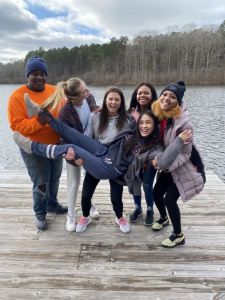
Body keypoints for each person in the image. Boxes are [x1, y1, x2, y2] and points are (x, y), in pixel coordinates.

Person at [13, 109, 192, 228]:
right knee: (74, 135)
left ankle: (33, 147)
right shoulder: (133, 130)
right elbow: (119, 110)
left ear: (154, 126)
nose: (144, 126)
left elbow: (165, 162)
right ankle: (43, 114)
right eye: (142, 122)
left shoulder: (155, 148)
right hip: (105, 153)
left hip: (110, 169)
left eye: (149, 123)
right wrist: (98, 108)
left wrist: (179, 141)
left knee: (73, 149)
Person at [7, 56, 68, 231]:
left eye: (42, 74)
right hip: (33, 148)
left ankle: (52, 204)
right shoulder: (17, 96)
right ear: (28, 75)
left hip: (56, 145)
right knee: (41, 181)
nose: (39, 77)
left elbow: (64, 112)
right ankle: (40, 212)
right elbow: (16, 125)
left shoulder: (54, 91)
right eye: (35, 74)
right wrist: (38, 122)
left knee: (54, 178)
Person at [151, 81, 206, 248]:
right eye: (165, 94)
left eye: (172, 97)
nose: (167, 98)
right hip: (168, 161)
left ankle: (178, 235)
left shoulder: (184, 124)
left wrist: (165, 166)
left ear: (178, 101)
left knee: (170, 199)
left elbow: (185, 153)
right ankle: (164, 218)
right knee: (156, 193)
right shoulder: (160, 115)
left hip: (187, 166)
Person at [76, 86, 134, 233]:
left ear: (121, 102)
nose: (113, 102)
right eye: (110, 99)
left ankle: (119, 217)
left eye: (117, 99)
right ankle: (85, 216)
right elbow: (87, 139)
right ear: (105, 101)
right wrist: (81, 157)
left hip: (116, 161)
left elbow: (132, 142)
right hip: (97, 158)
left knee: (116, 198)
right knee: (86, 195)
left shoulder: (127, 119)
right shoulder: (95, 117)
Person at [49, 77, 99, 232]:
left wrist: (98, 109)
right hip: (73, 150)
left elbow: (93, 111)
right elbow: (65, 139)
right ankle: (70, 215)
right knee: (74, 182)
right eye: (84, 91)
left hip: (89, 146)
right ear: (74, 97)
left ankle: (88, 203)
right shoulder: (65, 113)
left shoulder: (88, 98)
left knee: (89, 178)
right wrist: (72, 156)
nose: (88, 92)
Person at [128, 82, 158, 226]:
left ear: (152, 95)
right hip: (134, 156)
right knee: (135, 183)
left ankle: (150, 210)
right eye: (140, 93)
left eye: (146, 93)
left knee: (147, 184)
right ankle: (138, 209)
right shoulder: (131, 113)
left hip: (151, 155)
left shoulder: (158, 112)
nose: (142, 95)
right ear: (136, 95)